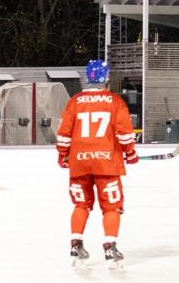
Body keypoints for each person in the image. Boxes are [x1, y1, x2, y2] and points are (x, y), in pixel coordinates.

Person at [56, 60, 138, 267]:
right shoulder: (114, 101)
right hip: (107, 163)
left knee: (80, 205)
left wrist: (63, 154)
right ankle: (110, 247)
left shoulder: (75, 101)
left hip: (79, 163)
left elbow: (64, 132)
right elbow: (124, 132)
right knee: (112, 207)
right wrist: (130, 153)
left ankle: (76, 244)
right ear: (106, 78)